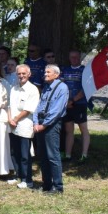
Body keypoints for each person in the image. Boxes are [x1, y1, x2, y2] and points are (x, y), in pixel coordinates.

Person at [34, 64, 70, 194]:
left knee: (53, 156)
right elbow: (39, 106)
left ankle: (57, 186)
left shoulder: (62, 88)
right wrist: (36, 122)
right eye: (45, 72)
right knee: (43, 156)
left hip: (51, 125)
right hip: (41, 123)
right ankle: (46, 184)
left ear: (56, 74)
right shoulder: (46, 88)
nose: (45, 74)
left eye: (48, 72)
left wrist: (44, 125)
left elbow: (57, 111)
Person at [7, 64, 40, 189]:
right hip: (12, 125)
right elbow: (9, 106)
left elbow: (28, 109)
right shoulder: (14, 88)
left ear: (29, 74)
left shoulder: (33, 90)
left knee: (25, 154)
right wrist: (10, 119)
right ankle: (18, 175)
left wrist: (15, 119)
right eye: (19, 74)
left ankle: (27, 180)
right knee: (14, 152)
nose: (21, 76)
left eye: (23, 73)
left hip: (24, 125)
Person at [61, 50, 90, 162]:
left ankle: (84, 155)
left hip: (79, 103)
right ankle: (68, 155)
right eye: (72, 57)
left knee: (83, 129)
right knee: (69, 130)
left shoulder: (84, 70)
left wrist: (73, 100)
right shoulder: (65, 70)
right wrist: (66, 101)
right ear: (69, 58)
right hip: (67, 104)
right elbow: (61, 86)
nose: (74, 59)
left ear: (80, 58)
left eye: (76, 57)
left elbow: (85, 89)